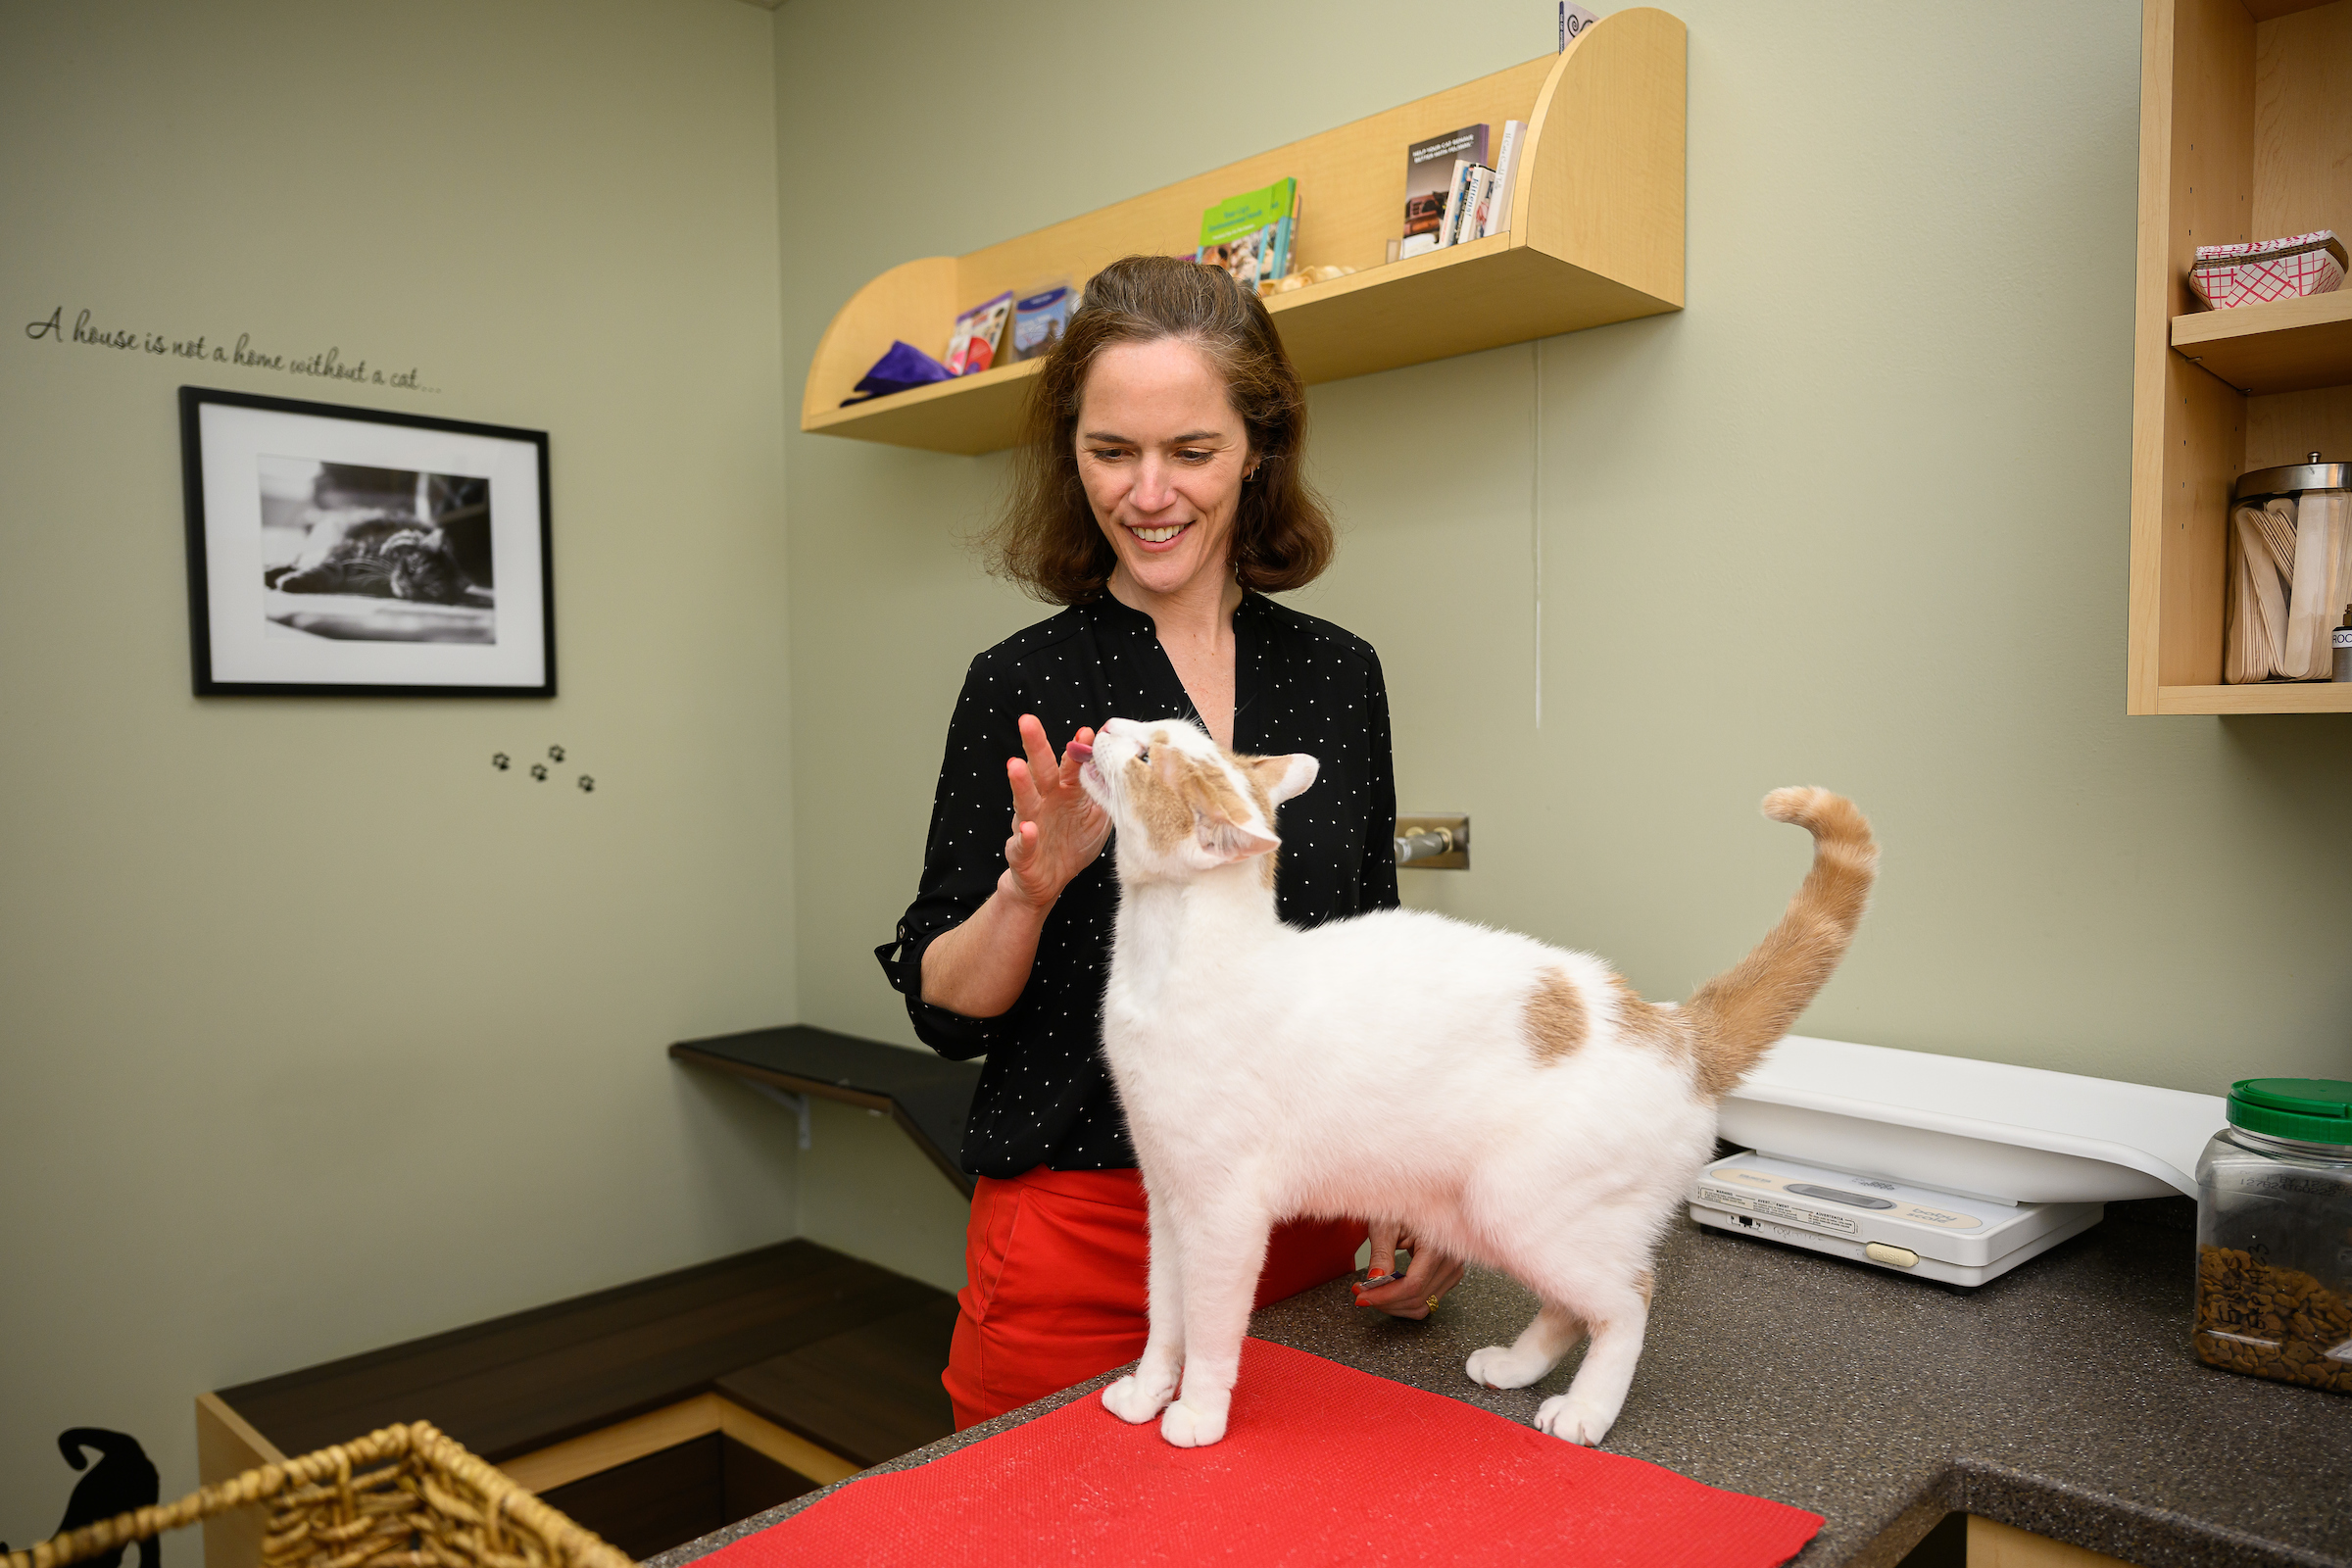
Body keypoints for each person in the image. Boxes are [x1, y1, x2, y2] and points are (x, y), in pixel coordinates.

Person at [875, 255, 1464, 1431]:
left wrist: (1426, 1175)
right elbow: (943, 1008)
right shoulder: (1024, 683)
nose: (1149, 493)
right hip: (1082, 1245)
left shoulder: (1338, 674)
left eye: (1191, 452)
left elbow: (1366, 954)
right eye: (1111, 452)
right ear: (1070, 454)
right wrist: (1028, 895)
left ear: (1260, 448)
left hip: (1301, 1225)